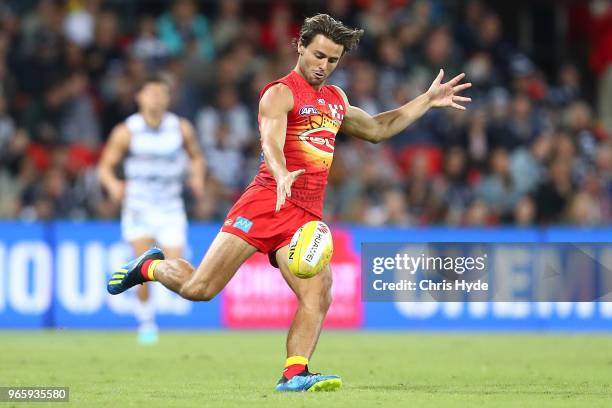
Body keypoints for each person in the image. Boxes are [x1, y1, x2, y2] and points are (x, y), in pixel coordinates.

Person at [107, 14, 470, 390]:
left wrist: (426, 101)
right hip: (265, 203)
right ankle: (150, 267)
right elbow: (271, 140)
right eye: (317, 55)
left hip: (304, 215)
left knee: (320, 291)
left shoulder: (335, 99)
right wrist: (280, 171)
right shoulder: (280, 92)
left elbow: (378, 129)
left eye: (332, 60)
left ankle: (294, 373)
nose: (323, 66)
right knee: (200, 289)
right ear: (300, 46)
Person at [99, 74, 205, 344]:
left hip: (170, 207)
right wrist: (113, 186)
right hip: (139, 208)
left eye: (161, 94)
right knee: (142, 266)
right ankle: (146, 322)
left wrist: (197, 177)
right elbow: (105, 167)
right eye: (151, 93)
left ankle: (149, 301)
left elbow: (196, 157)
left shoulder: (180, 128)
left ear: (168, 98)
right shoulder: (127, 130)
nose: (156, 99)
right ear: (140, 97)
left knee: (175, 265)